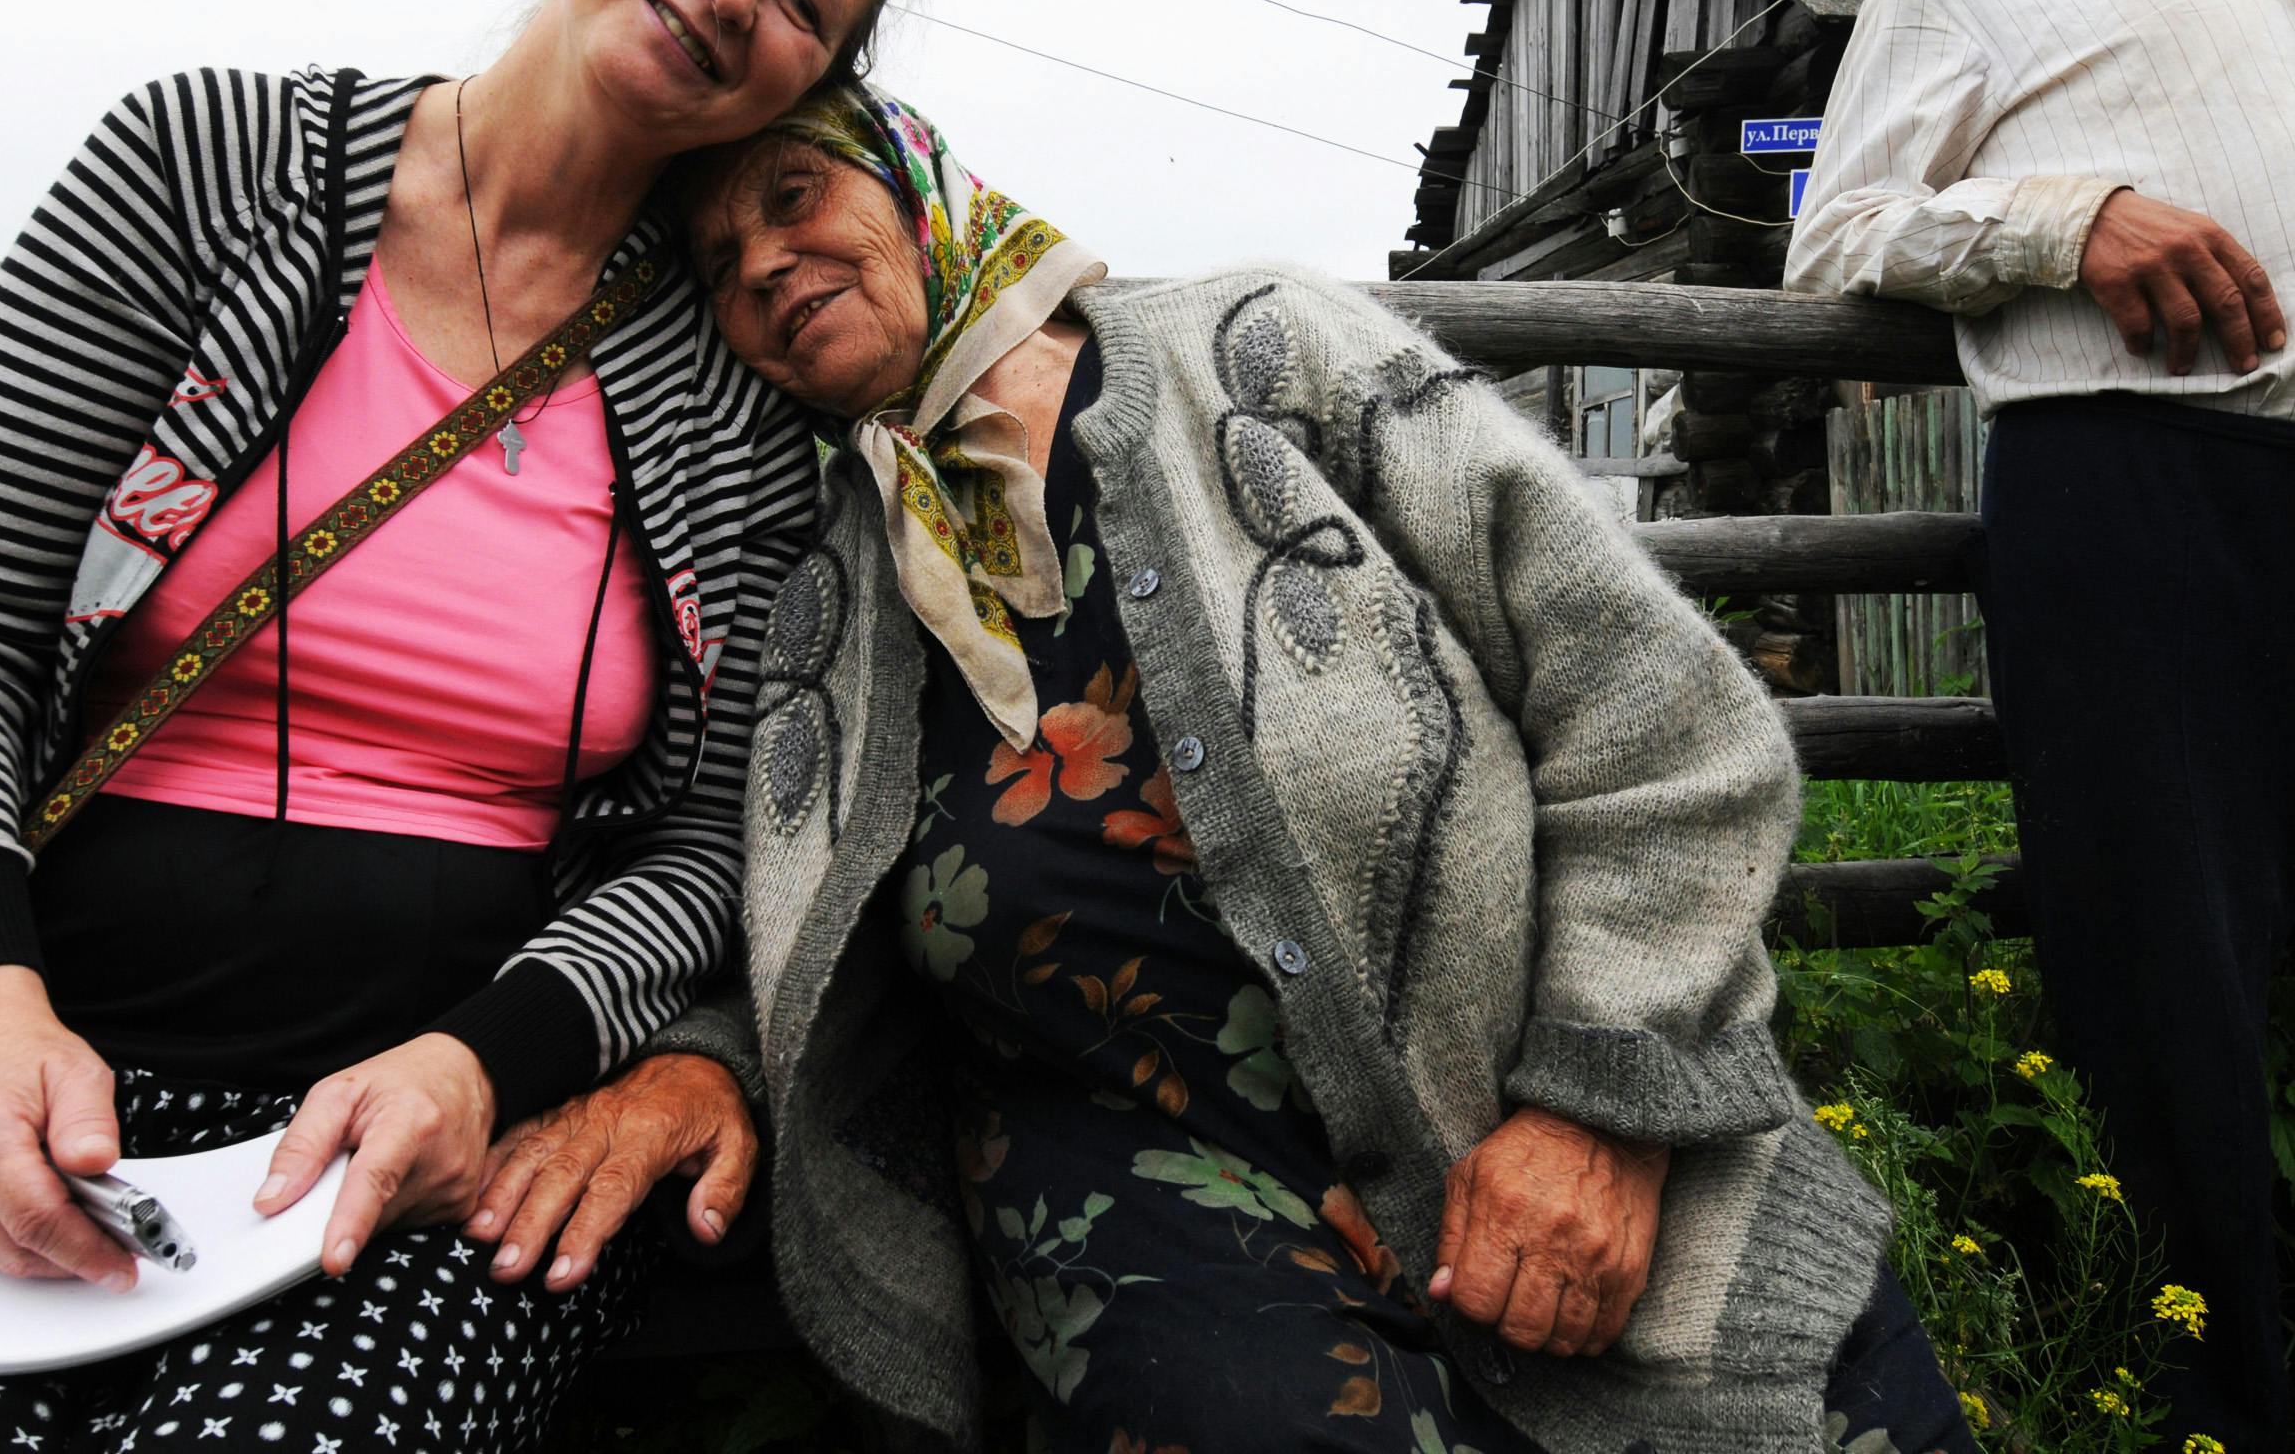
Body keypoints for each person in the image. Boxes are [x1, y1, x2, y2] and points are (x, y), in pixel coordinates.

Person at [0, 0, 917, 1452]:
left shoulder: (728, 396)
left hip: (421, 1147)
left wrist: (488, 1060)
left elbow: (698, 847)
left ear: (812, 81)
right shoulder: (210, 165)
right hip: (1, 1045)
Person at [471, 85, 1975, 1453]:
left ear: (915, 182)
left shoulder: (1264, 353)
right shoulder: (818, 594)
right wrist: (703, 1062)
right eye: (717, 263)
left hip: (1525, 1101)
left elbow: (1652, 708)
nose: (763, 266)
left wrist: (1602, 1103)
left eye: (795, 197)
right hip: (1142, 1192)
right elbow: (784, 923)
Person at [1786, 0, 2292, 1443]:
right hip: (2145, 478)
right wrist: (2066, 222)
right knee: (2173, 972)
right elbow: (1839, 229)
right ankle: (2229, 1394)